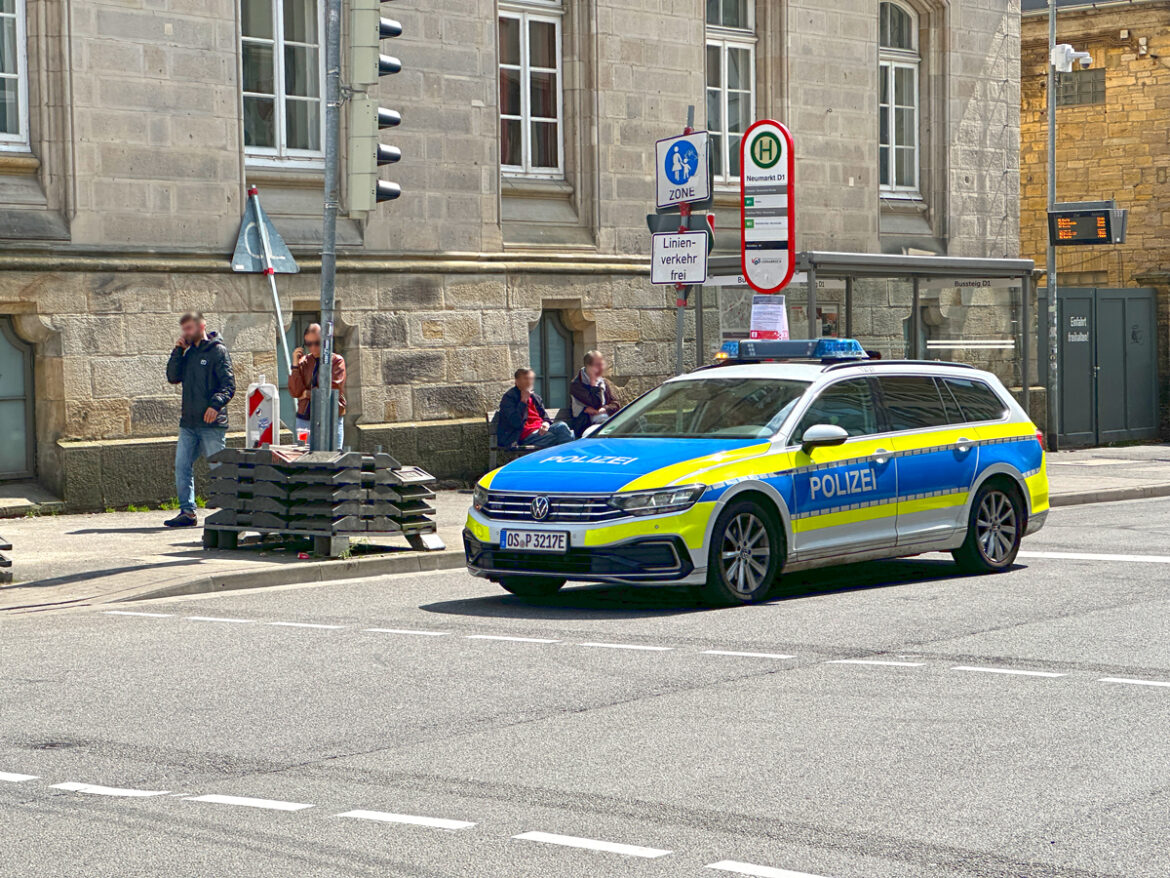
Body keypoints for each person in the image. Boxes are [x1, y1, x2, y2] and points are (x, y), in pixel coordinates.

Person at [164, 311, 235, 528]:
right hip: (189, 423)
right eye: (184, 329)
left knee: (219, 467)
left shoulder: (217, 351)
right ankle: (187, 512)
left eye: (189, 328)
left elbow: (229, 385)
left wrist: (215, 405)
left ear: (201, 326)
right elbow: (172, 377)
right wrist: (178, 350)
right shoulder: (188, 354)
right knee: (182, 465)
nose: (186, 332)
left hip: (211, 424)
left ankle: (230, 511)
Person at [288, 323, 347, 449]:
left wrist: (307, 394)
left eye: (317, 343)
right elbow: (295, 392)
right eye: (309, 344)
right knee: (303, 453)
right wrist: (295, 365)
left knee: (333, 455)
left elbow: (332, 391)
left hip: (330, 419)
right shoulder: (303, 362)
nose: (313, 347)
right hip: (305, 420)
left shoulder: (336, 361)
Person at [497, 368, 573, 449]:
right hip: (522, 436)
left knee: (562, 426)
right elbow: (515, 422)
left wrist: (546, 423)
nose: (529, 381)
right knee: (563, 437)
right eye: (526, 378)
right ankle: (567, 455)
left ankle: (566, 455)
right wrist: (523, 401)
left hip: (541, 431)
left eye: (531, 378)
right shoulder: (509, 398)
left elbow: (545, 417)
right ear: (517, 381)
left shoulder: (535, 397)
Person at [569, 350, 622, 437]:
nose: (602, 368)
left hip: (605, 420)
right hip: (585, 424)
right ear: (588, 366)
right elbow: (596, 402)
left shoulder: (603, 382)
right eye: (598, 365)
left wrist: (605, 409)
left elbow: (616, 404)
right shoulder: (577, 384)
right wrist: (594, 382)